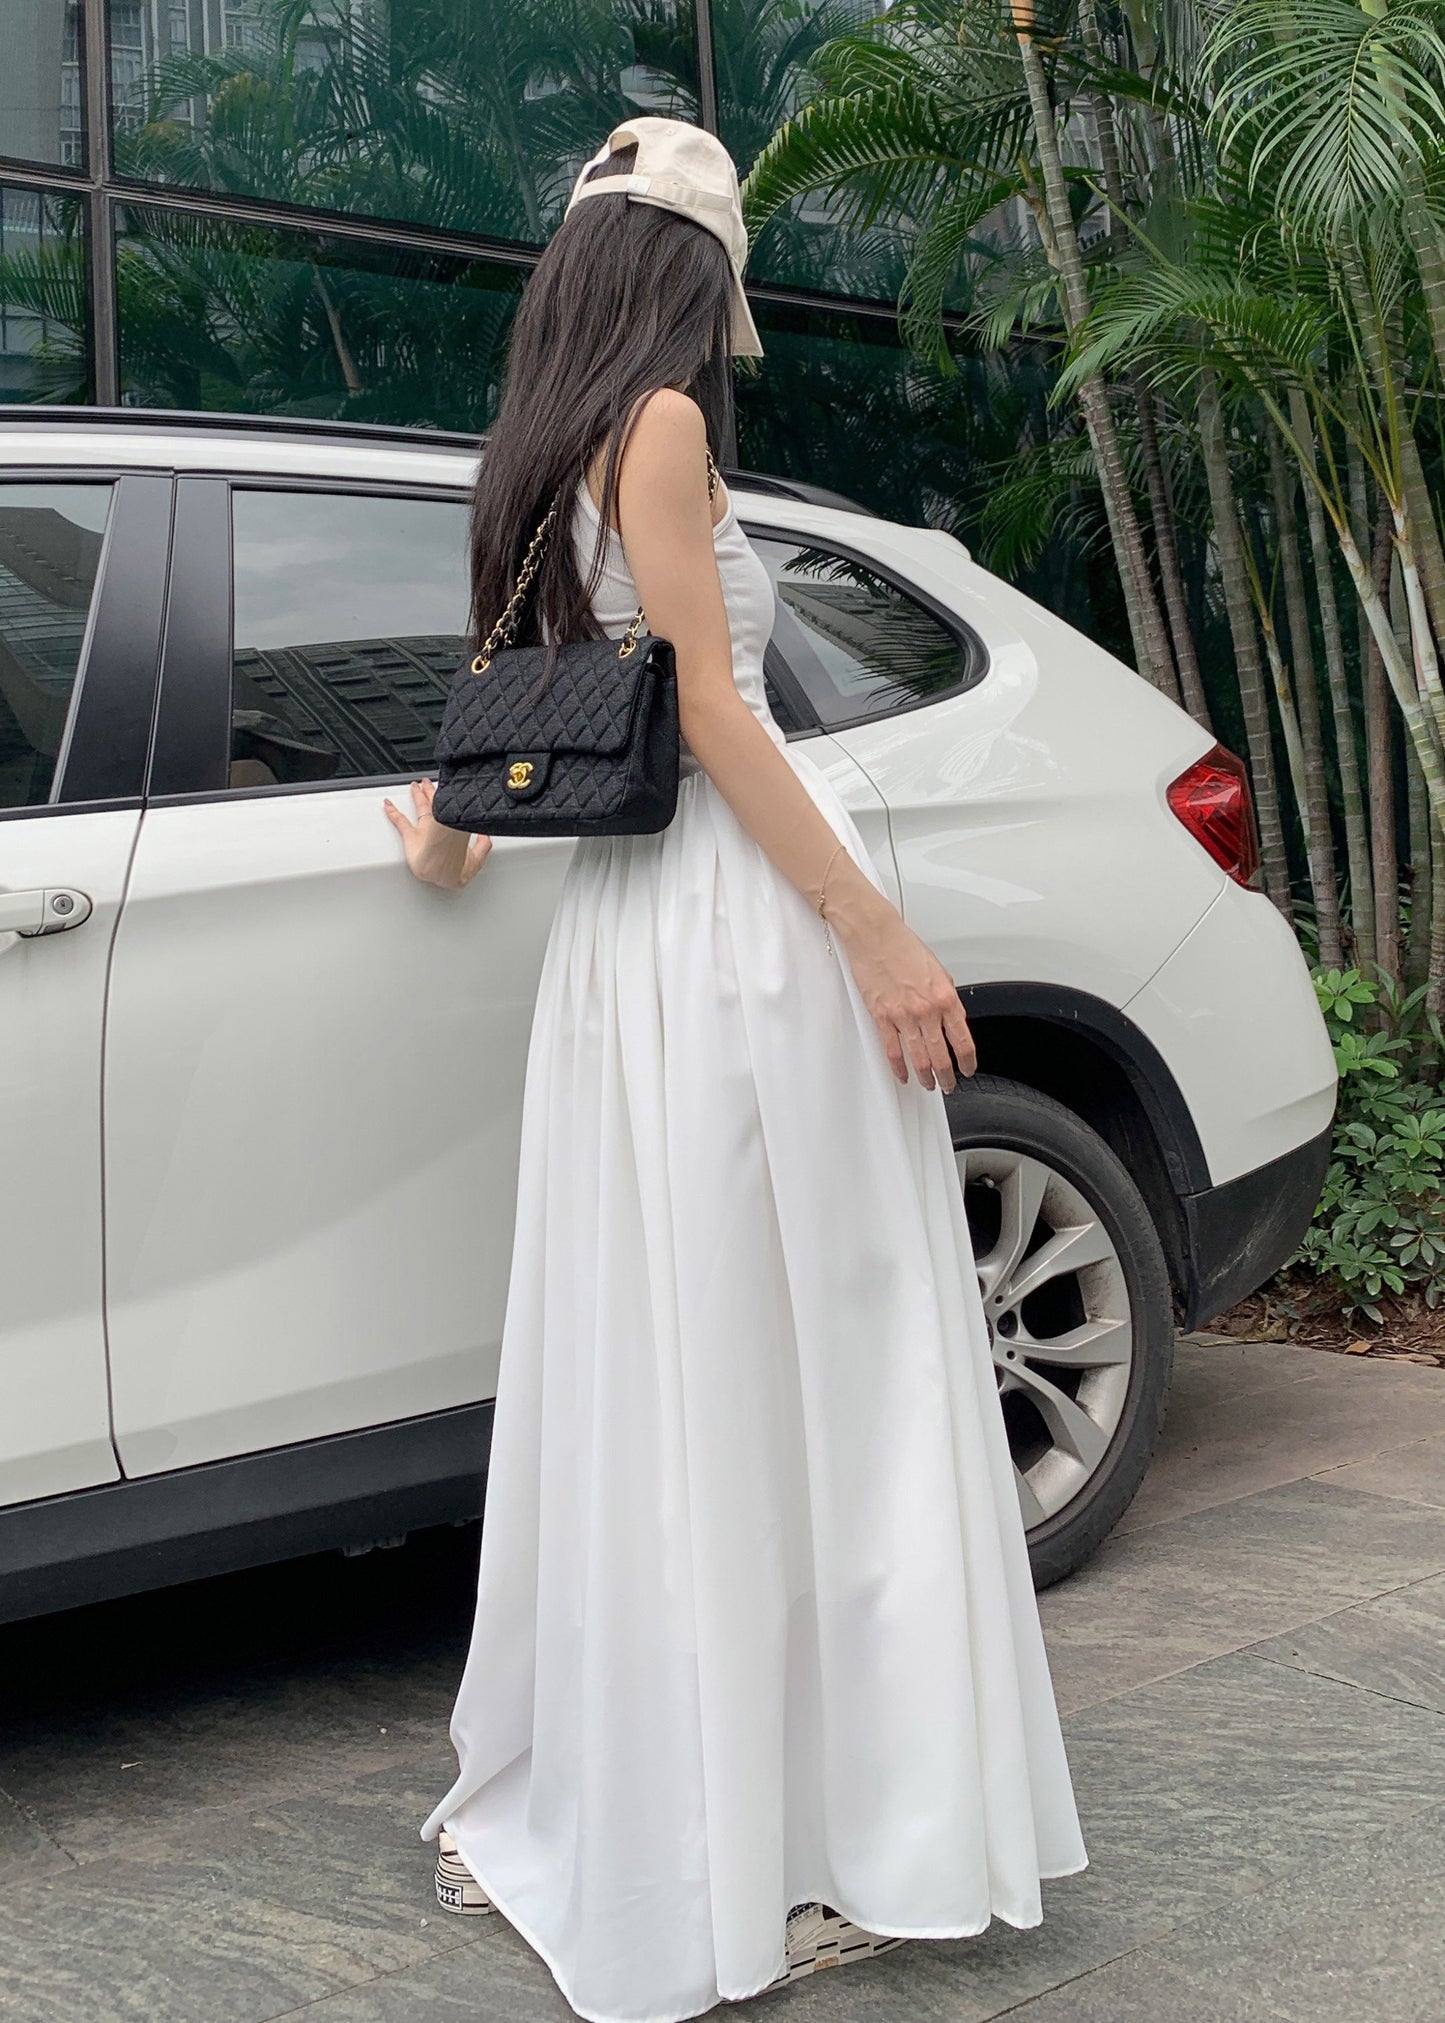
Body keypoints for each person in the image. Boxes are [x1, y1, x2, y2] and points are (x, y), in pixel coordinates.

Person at [384, 115, 1085, 2023]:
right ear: (697, 275)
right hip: (732, 941)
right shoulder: (668, 425)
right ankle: (805, 1826)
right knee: (818, 1366)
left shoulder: (531, 452)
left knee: (675, 1364)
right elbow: (703, 707)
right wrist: (875, 931)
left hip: (625, 947)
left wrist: (440, 845)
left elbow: (528, 710)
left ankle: (689, 1803)